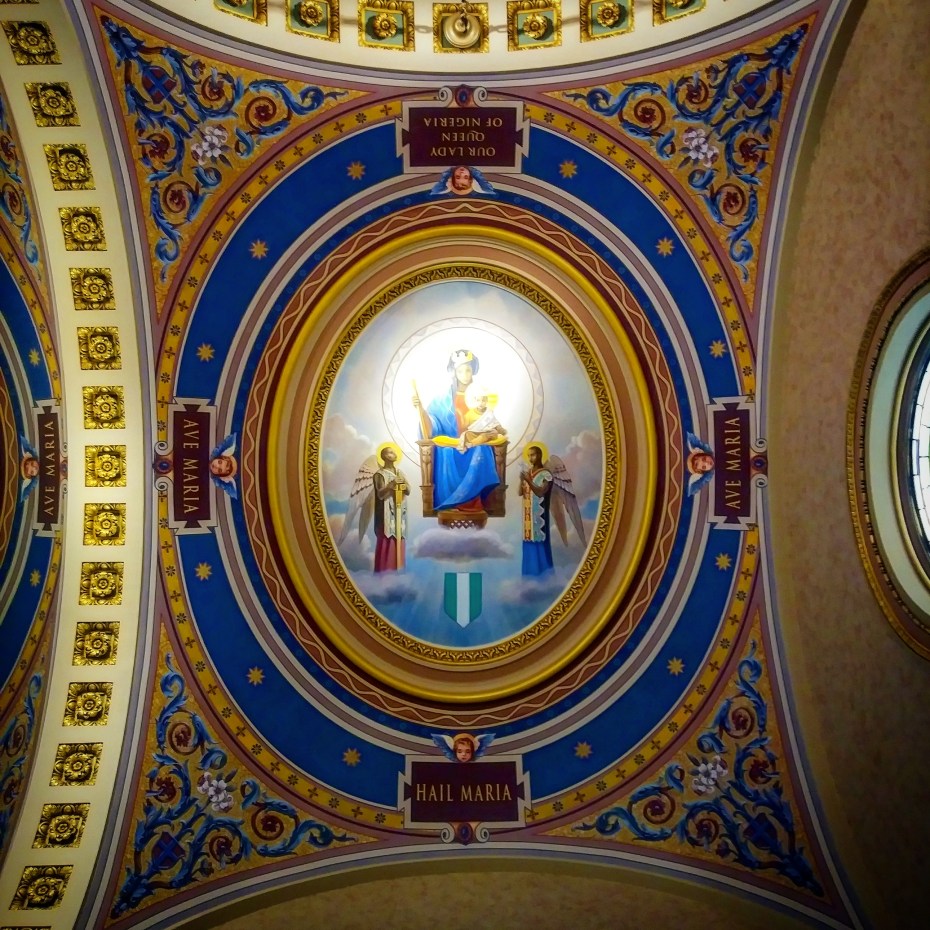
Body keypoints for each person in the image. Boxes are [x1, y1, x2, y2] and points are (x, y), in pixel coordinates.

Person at [413, 349, 500, 513]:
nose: (465, 374)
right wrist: (421, 409)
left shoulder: (480, 396)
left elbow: (489, 420)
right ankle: (451, 503)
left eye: (468, 369)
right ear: (454, 372)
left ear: (473, 370)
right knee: (446, 453)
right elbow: (431, 428)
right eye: (460, 370)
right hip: (452, 447)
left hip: (475, 443)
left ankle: (474, 503)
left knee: (481, 449)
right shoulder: (442, 399)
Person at [372, 444, 409, 572]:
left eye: (394, 452)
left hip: (399, 511)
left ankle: (399, 572)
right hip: (385, 513)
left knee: (399, 539)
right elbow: (380, 494)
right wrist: (391, 485)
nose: (393, 454)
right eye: (390, 453)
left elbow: (408, 490)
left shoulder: (400, 473)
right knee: (387, 539)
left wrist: (402, 484)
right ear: (384, 457)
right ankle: (384, 572)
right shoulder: (379, 474)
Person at [520, 444, 554, 575]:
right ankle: (528, 576)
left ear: (539, 455)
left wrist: (528, 480)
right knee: (528, 543)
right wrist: (521, 480)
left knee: (540, 543)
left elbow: (541, 492)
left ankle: (544, 575)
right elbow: (520, 492)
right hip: (527, 517)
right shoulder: (529, 473)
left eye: (532, 455)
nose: (530, 458)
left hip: (539, 516)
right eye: (528, 456)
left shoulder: (546, 474)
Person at [458, 387, 507, 452]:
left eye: (483, 401)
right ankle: (467, 445)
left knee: (487, 435)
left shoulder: (489, 413)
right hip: (476, 433)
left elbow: (495, 423)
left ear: (486, 401)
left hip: (488, 433)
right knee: (467, 434)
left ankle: (472, 444)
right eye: (478, 400)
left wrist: (501, 430)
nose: (481, 403)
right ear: (475, 401)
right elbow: (466, 426)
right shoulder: (470, 413)